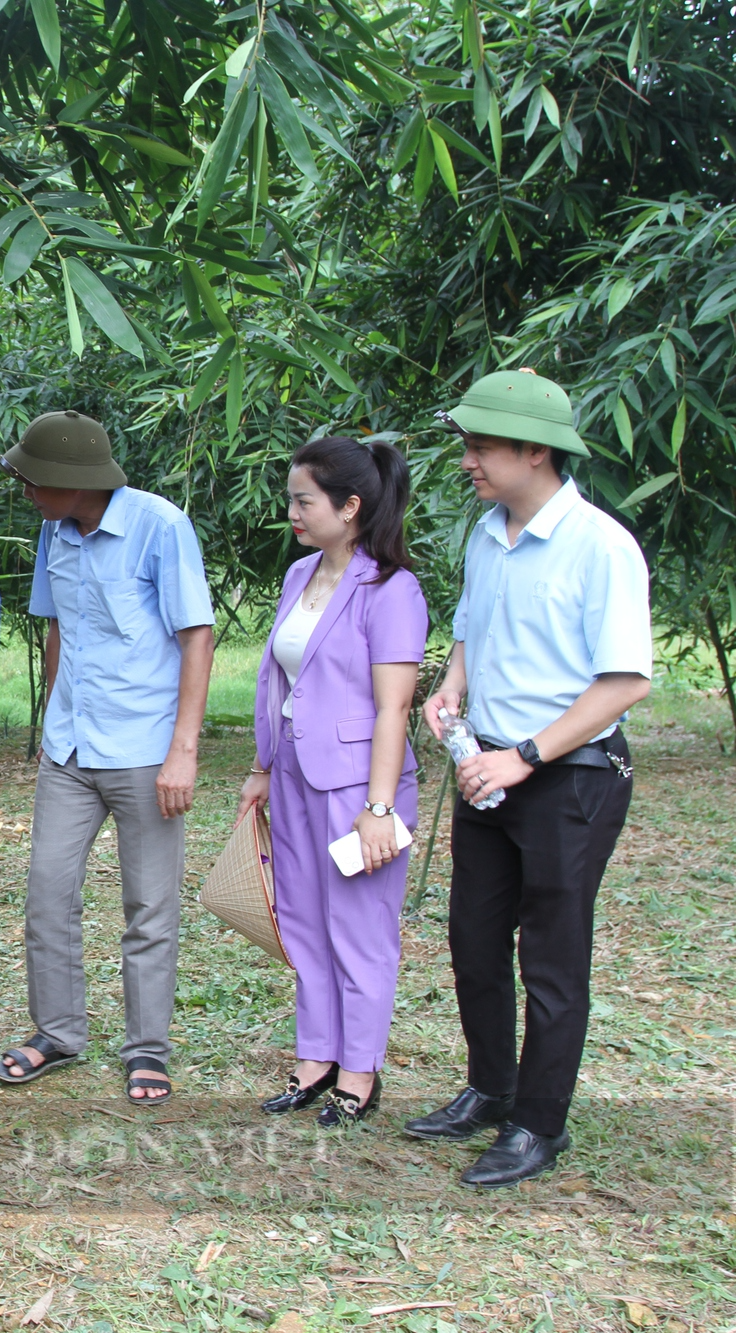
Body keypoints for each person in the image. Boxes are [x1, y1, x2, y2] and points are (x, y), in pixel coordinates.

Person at [410, 369, 650, 1187]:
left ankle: (538, 1123)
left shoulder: (601, 546)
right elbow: (474, 628)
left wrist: (527, 755)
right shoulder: (488, 533)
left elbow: (623, 684)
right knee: (474, 941)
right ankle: (490, 1085)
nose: (467, 461)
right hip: (490, 768)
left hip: (567, 775)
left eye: (480, 447)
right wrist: (453, 686)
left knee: (551, 955)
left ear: (536, 451)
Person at [0, 412, 213, 1105]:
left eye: (32, 479)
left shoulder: (159, 526)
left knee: (148, 904)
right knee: (47, 893)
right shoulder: (52, 532)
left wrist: (183, 750)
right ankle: (56, 1031)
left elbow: (198, 635)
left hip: (146, 750)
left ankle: (147, 1047)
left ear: (68, 481)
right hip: (71, 747)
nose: (25, 489)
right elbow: (57, 627)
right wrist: (54, 719)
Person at [236, 437, 428, 1127]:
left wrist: (379, 807)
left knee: (360, 929)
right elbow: (273, 680)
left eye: (303, 499)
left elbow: (393, 707)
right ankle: (315, 1059)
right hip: (292, 774)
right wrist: (261, 767)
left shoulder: (391, 589)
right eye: (291, 497)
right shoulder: (298, 575)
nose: (291, 510)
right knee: (304, 923)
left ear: (350, 506)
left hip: (357, 785)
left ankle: (359, 1072)